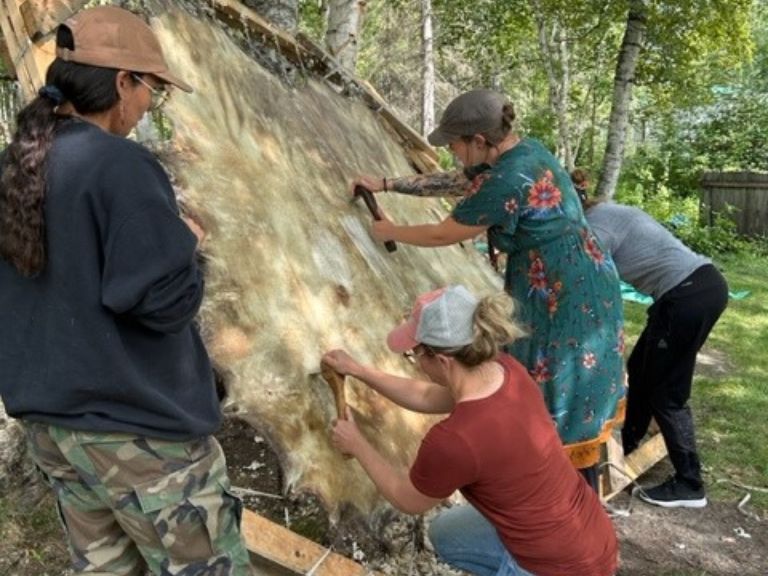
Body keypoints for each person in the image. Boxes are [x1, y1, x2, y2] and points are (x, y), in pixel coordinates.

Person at [0, 6, 252, 574]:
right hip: (141, 437)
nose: (146, 107)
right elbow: (162, 302)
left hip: (55, 431)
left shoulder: (15, 165)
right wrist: (187, 245)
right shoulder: (121, 166)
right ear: (122, 82)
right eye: (151, 91)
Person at [353, 89, 625, 488]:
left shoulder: (508, 178)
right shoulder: (523, 153)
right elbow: (458, 181)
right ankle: (565, 494)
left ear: (479, 141)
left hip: (560, 291)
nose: (453, 153)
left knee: (556, 385)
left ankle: (558, 492)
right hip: (579, 273)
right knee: (555, 380)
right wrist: (386, 183)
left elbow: (445, 233)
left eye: (455, 145)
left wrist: (391, 230)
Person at [323, 285, 619, 576]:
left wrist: (357, 444)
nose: (416, 363)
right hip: (588, 530)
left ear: (442, 360)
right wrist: (359, 370)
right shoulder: (505, 370)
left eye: (415, 355)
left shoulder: (455, 441)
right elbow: (426, 396)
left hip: (556, 566)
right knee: (445, 533)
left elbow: (407, 499)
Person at [580, 195, 729, 508]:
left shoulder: (597, 221)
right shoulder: (612, 211)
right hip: (693, 289)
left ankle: (691, 484)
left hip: (687, 295)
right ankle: (630, 449)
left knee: (667, 393)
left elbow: (585, 267)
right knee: (641, 367)